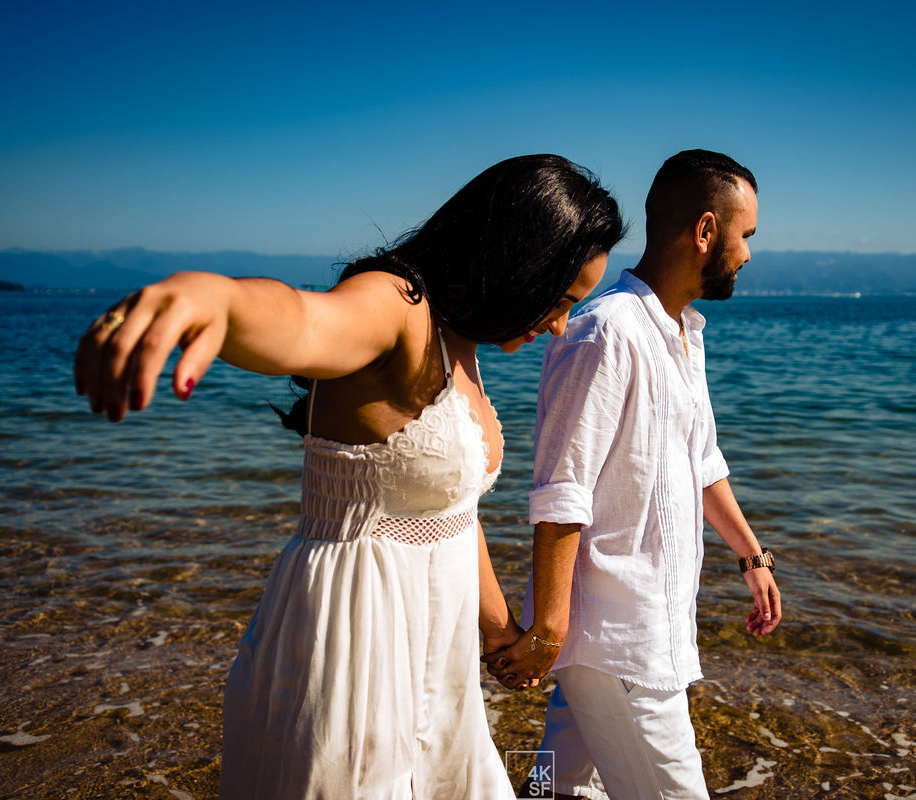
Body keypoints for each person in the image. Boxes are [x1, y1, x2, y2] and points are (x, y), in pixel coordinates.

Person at [73, 154, 624, 800]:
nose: (559, 326)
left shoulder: (460, 344)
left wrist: (499, 628)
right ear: (520, 263)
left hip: (437, 668)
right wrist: (214, 299)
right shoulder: (396, 305)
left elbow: (445, 514)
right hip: (348, 649)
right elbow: (304, 321)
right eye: (560, 300)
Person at [483, 150, 782, 799]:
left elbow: (702, 463)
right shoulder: (605, 332)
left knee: (557, 789)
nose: (748, 254)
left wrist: (752, 556)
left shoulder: (680, 332)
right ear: (705, 230)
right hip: (618, 641)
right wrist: (549, 632)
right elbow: (562, 489)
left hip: (631, 631)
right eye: (745, 235)